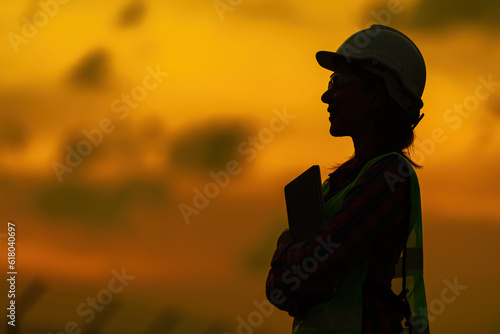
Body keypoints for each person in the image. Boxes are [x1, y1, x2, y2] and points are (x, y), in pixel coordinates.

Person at [265, 25, 430, 334]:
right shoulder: (338, 184)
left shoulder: (389, 176)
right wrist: (300, 270)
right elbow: (281, 292)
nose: (326, 95)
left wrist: (283, 252)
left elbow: (321, 256)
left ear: (374, 96)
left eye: (336, 82)